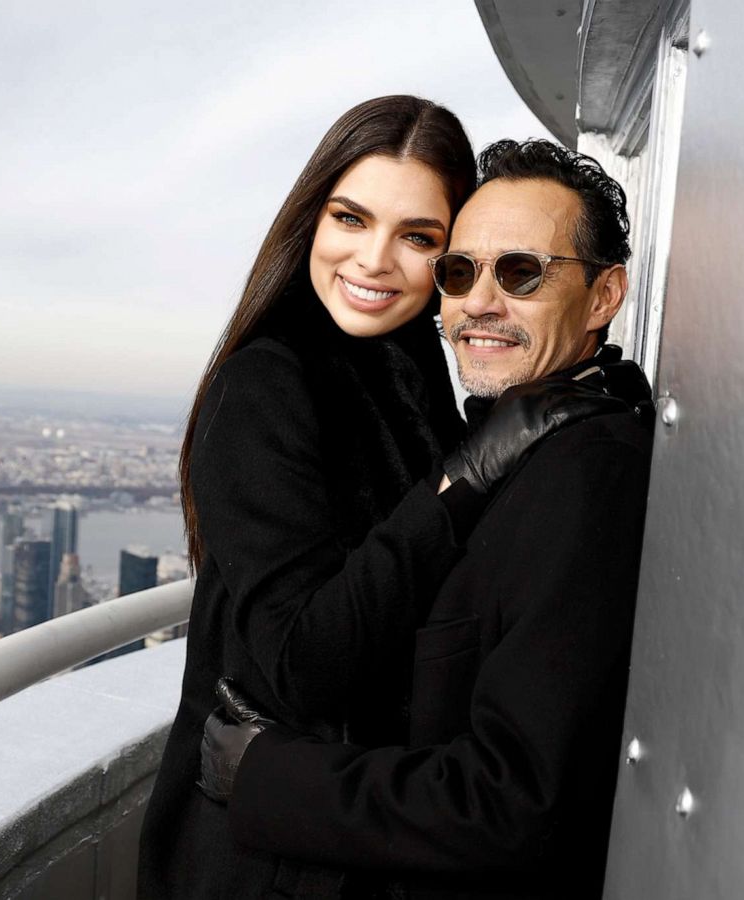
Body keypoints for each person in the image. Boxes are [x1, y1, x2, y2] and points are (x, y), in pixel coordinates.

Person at [138, 102, 612, 899]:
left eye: (420, 238)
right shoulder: (268, 383)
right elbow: (299, 662)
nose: (373, 260)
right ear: (309, 219)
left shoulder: (421, 374)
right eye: (350, 218)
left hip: (348, 837)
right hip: (256, 862)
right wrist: (468, 477)